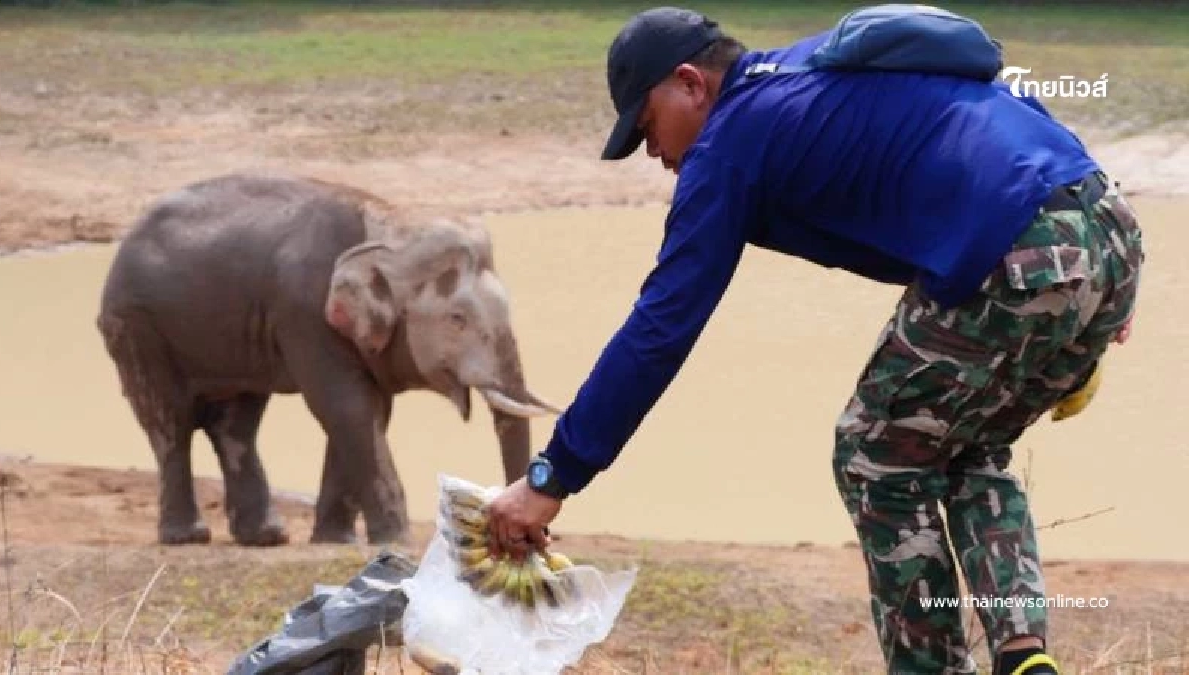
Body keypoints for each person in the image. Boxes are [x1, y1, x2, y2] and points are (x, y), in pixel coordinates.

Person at [484, 5, 1144, 674]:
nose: (653, 153)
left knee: (871, 451)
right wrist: (1095, 265)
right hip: (1103, 223)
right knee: (964, 445)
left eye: (646, 128)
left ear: (689, 83)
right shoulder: (809, 66)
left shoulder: (728, 144)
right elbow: (1007, 97)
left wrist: (555, 473)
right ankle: (1021, 652)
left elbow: (660, 327)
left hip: (1014, 250)